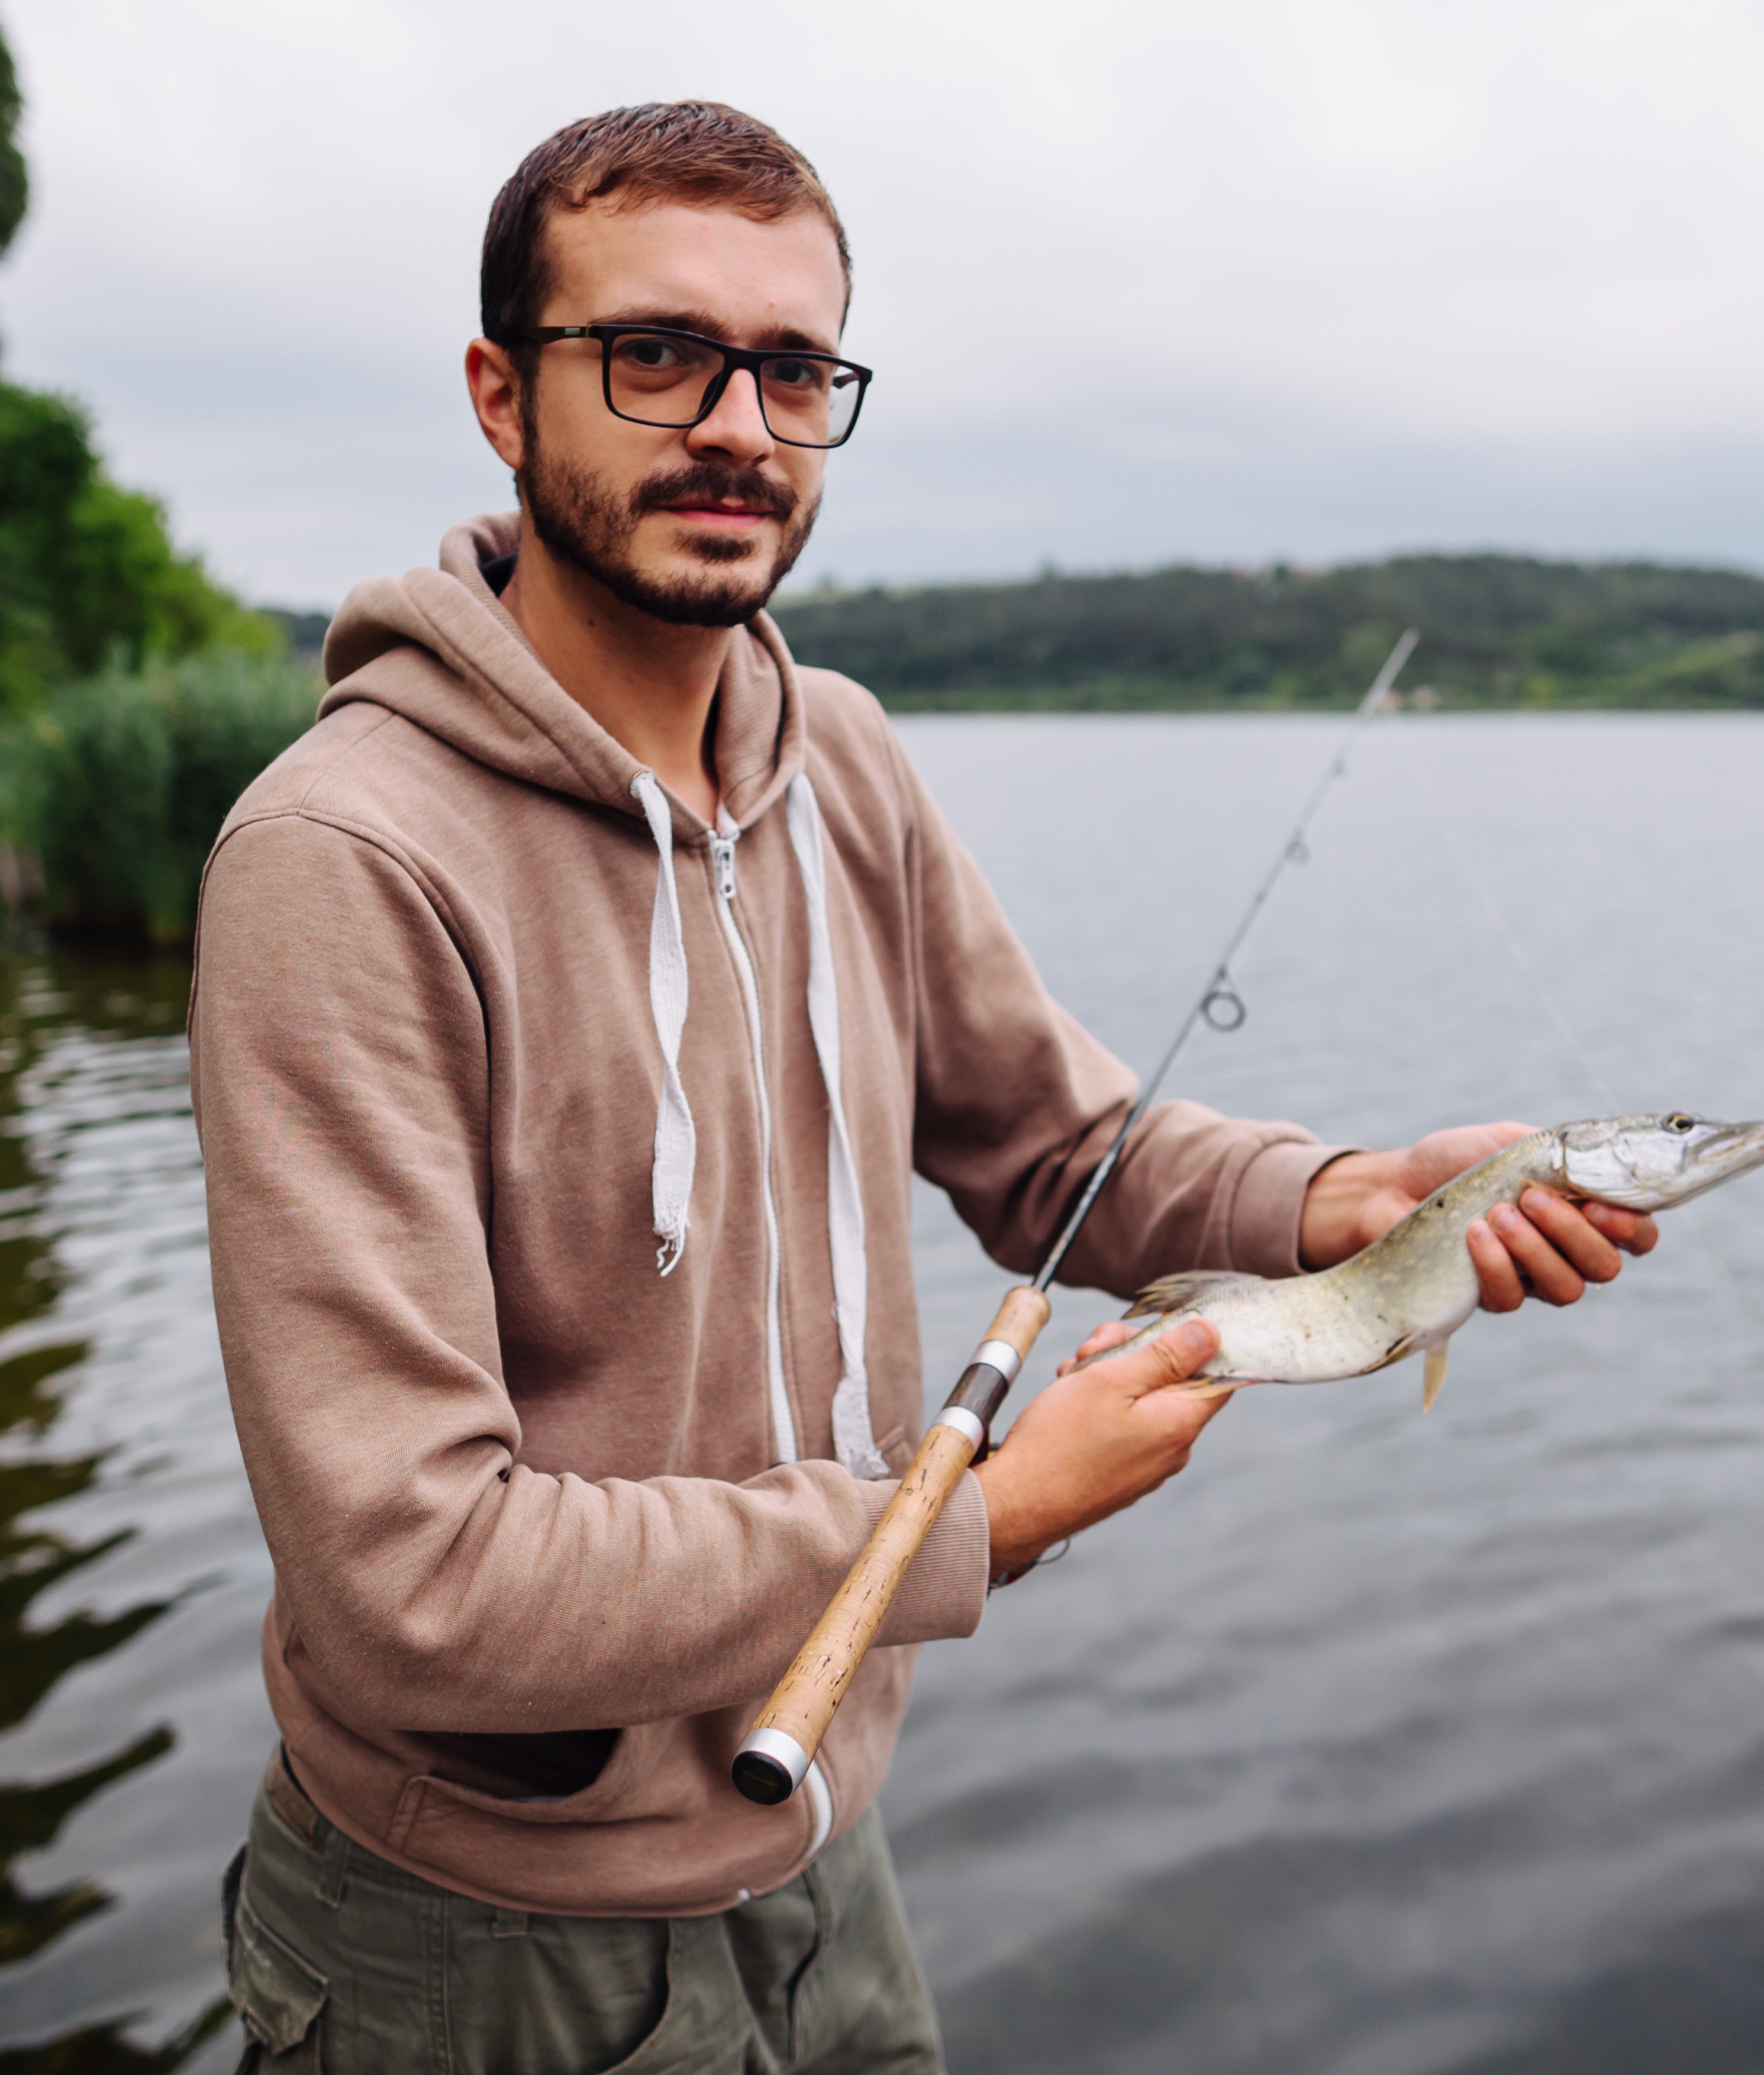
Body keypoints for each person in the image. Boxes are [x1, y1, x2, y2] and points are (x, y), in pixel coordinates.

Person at [196, 102, 1657, 2074]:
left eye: (795, 370)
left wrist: (1355, 1201)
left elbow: (1060, 1144)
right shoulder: (343, 860)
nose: (738, 424)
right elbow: (408, 1585)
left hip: (819, 1851)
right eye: (658, 354)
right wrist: (974, 1513)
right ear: (497, 392)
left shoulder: (847, 762)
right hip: (480, 1949)